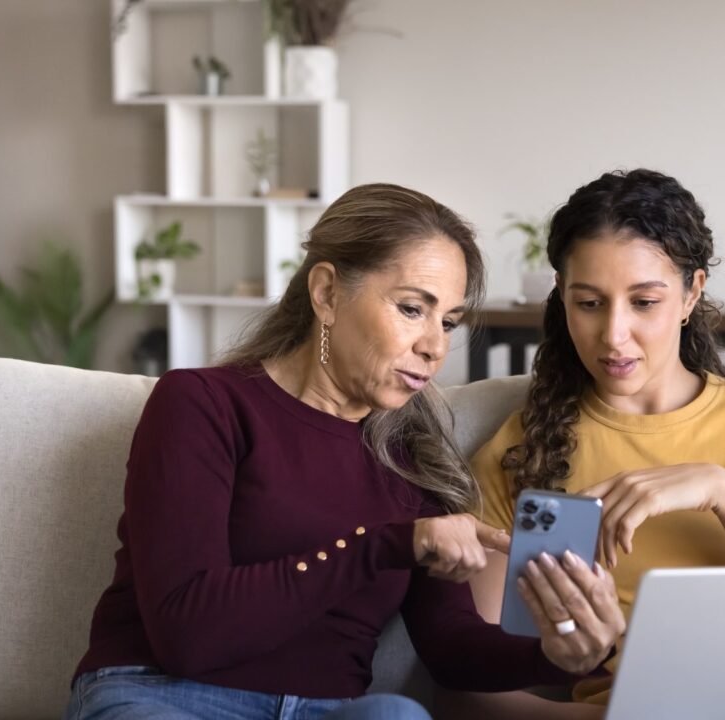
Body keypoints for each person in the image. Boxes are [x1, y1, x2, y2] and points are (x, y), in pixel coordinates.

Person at [64, 183, 626, 720]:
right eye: (412, 309)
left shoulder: (415, 461)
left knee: (396, 714)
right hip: (166, 697)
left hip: (327, 711)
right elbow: (189, 637)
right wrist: (381, 546)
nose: (435, 347)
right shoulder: (203, 404)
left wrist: (559, 653)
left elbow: (451, 649)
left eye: (448, 321)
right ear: (327, 293)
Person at [443, 169, 725, 718]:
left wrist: (724, 493)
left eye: (644, 302)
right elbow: (469, 688)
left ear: (692, 293)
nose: (614, 335)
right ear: (562, 297)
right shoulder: (521, 453)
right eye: (589, 303)